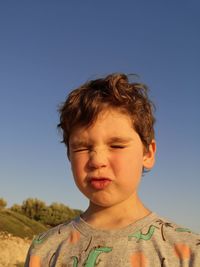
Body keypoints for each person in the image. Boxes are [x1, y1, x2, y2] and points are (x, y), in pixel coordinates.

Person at [25, 73, 200, 267]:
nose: (97, 161)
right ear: (69, 155)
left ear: (148, 154)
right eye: (82, 147)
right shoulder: (44, 249)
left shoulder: (189, 252)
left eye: (116, 146)